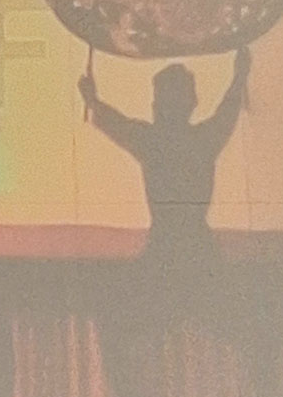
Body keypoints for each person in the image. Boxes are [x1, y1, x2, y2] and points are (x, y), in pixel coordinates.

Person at [78, 46, 251, 263]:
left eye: (159, 98)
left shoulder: (152, 142)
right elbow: (228, 109)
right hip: (199, 247)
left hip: (162, 246)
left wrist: (92, 101)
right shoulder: (202, 140)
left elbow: (116, 123)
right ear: (192, 103)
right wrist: (240, 75)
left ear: (158, 105)